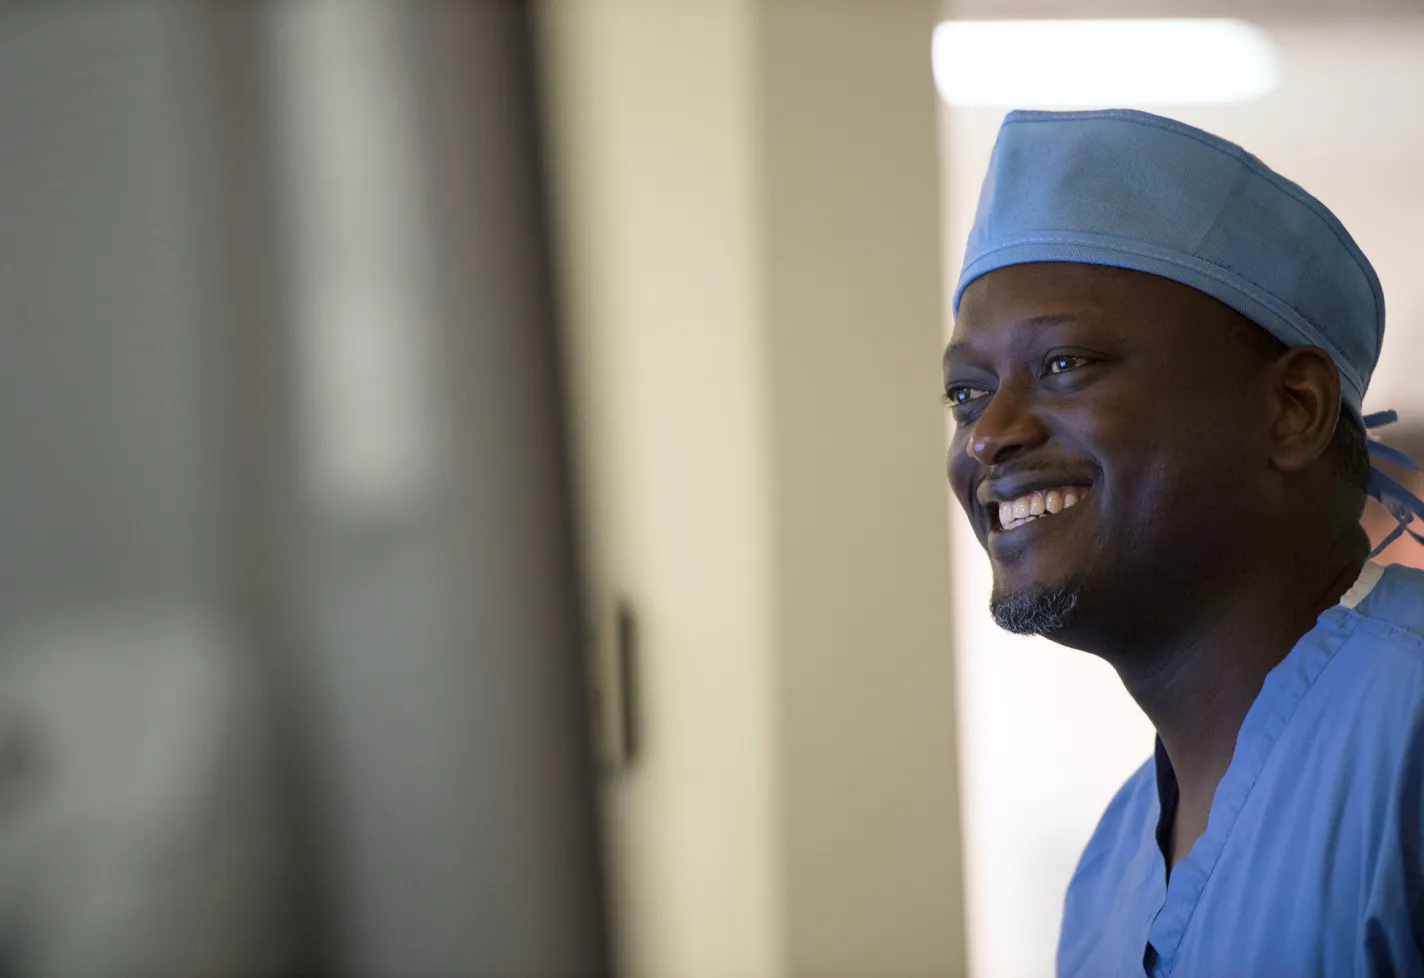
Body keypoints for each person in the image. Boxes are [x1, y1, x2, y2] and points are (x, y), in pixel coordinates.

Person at [943, 108, 1424, 977]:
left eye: (1063, 365)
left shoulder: (1409, 732)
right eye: (967, 395)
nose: (989, 435)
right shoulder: (1111, 873)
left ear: (1292, 410)